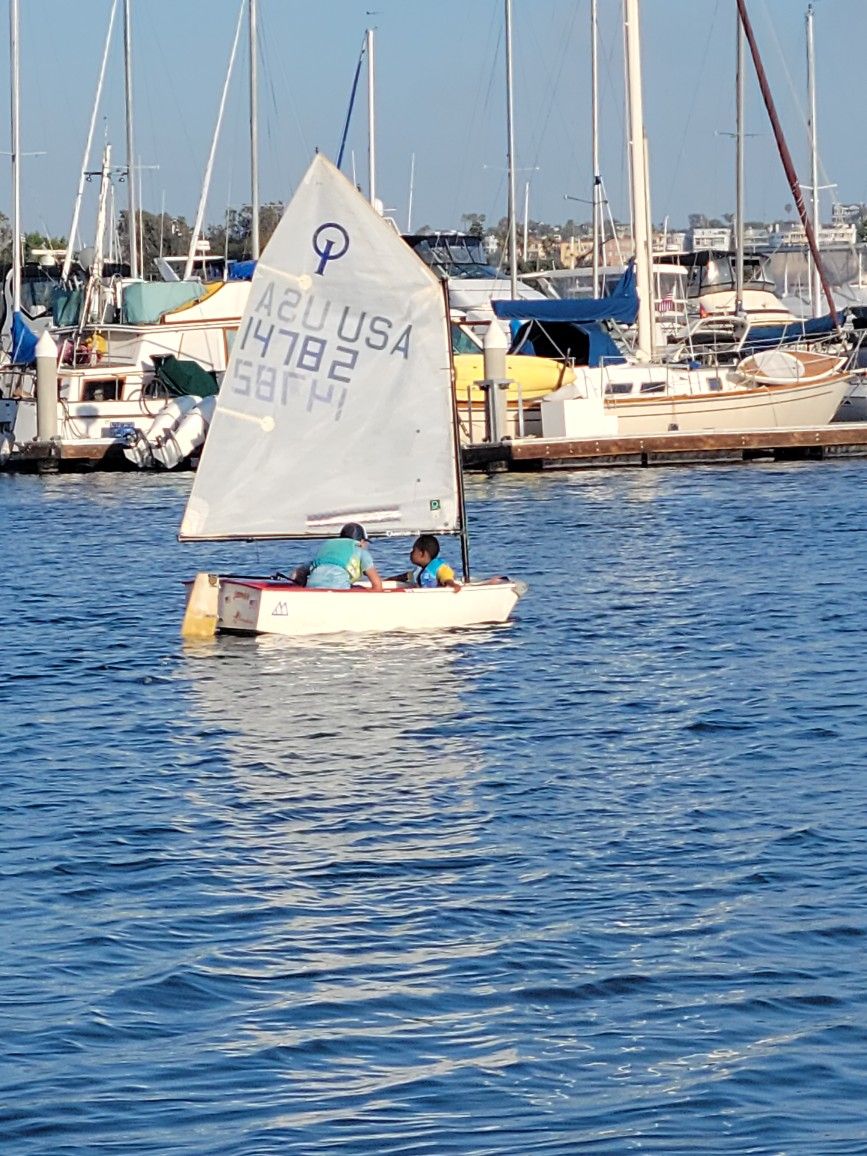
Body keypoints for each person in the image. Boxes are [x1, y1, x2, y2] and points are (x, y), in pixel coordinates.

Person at [305, 523, 383, 591]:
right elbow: (378, 586)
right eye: (366, 542)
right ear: (362, 541)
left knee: (356, 587)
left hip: (311, 587)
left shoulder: (327, 547)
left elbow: (298, 573)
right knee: (359, 589)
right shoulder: (361, 551)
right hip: (338, 590)